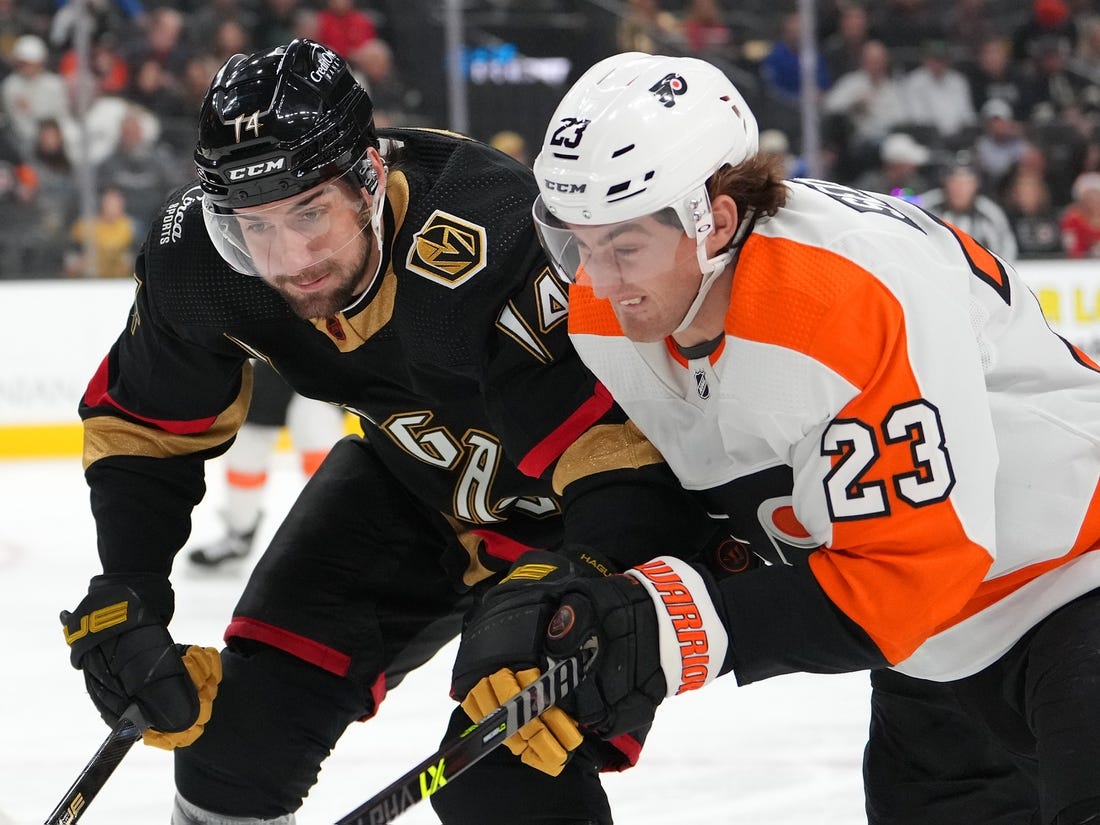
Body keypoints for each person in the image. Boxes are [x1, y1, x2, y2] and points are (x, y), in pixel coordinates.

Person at [58, 39, 723, 825]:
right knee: (235, 747)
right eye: (254, 228)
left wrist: (584, 580)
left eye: (310, 214)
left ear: (370, 177)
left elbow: (620, 455)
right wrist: (129, 585)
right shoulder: (202, 264)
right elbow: (143, 428)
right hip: (411, 486)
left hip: (585, 519)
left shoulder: (496, 232)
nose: (289, 258)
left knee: (505, 768)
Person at [452, 52, 1100, 825]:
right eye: (577, 244)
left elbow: (916, 571)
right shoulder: (612, 310)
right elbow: (711, 493)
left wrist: (682, 626)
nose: (598, 279)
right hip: (929, 654)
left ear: (716, 219)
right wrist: (582, 602)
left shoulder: (840, 298)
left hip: (1070, 581)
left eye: (623, 246)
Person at [185, 359, 346, 569]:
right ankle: (239, 533)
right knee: (247, 443)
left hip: (329, 358)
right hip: (276, 353)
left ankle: (336, 536)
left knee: (317, 434)